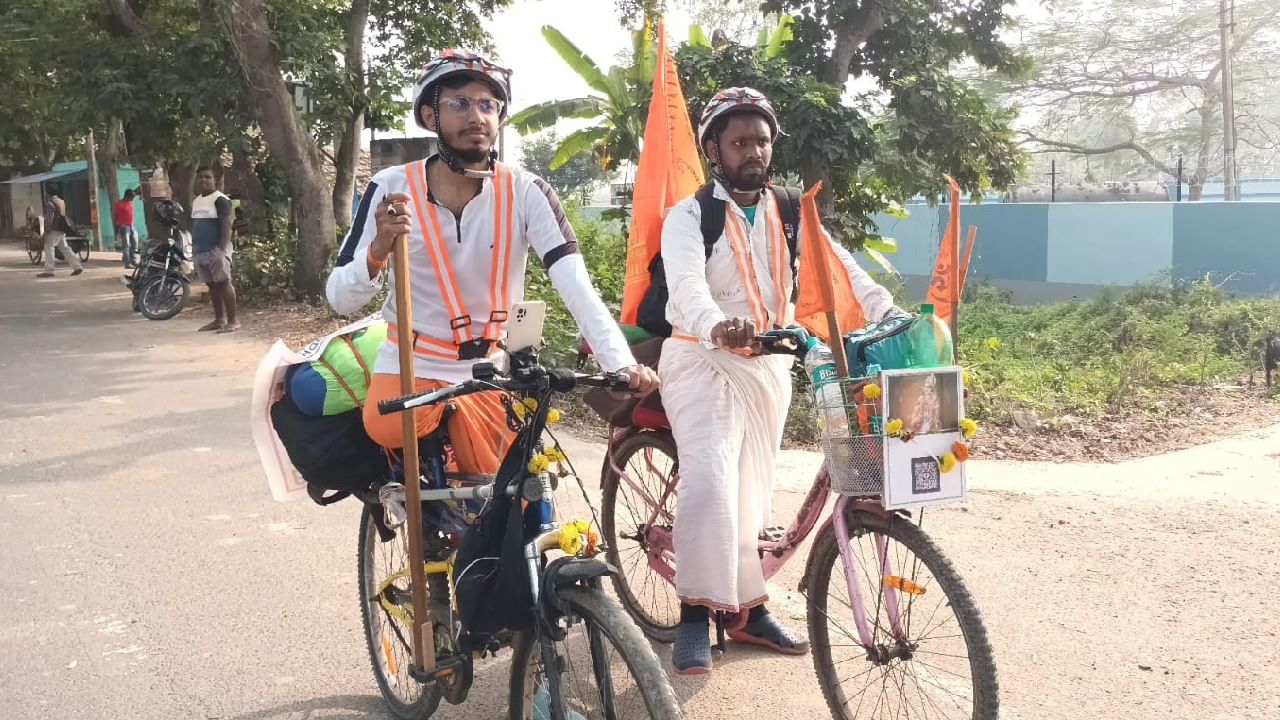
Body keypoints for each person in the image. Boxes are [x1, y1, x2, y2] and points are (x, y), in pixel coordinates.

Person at [325, 49, 658, 477]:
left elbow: (574, 283)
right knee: (387, 426)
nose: (476, 116)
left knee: (519, 499)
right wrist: (377, 253)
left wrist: (620, 363)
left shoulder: (528, 191)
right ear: (430, 116)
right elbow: (339, 298)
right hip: (413, 362)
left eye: (488, 105)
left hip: (495, 366)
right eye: (459, 103)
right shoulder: (390, 188)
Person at [658, 87, 899, 674]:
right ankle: (694, 612)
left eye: (762, 140)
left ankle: (745, 611)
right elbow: (686, 285)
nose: (754, 151)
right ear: (714, 148)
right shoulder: (690, 215)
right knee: (713, 484)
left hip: (769, 366)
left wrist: (885, 308)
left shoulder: (790, 209)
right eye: (740, 141)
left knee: (751, 494)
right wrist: (718, 327)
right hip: (700, 360)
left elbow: (836, 263)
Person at [191, 166, 239, 333]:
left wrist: (222, 249)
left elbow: (226, 225)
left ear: (215, 180)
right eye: (201, 177)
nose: (204, 180)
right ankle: (219, 320)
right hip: (200, 251)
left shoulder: (220, 200)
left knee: (224, 283)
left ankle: (233, 321)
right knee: (212, 286)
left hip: (216, 250)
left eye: (207, 177)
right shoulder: (197, 201)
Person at [36, 190, 83, 278]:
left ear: (48, 194)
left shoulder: (50, 203)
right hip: (62, 229)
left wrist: (46, 231)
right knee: (66, 249)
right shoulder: (61, 202)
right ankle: (77, 266)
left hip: (53, 230)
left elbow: (49, 219)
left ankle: (49, 271)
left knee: (49, 248)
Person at [114, 188, 140, 268]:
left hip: (131, 225)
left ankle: (134, 260)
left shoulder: (130, 203)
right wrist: (118, 226)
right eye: (131, 197)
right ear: (127, 196)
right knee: (126, 245)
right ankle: (127, 263)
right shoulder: (119, 204)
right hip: (123, 226)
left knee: (135, 243)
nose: (132, 199)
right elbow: (116, 215)